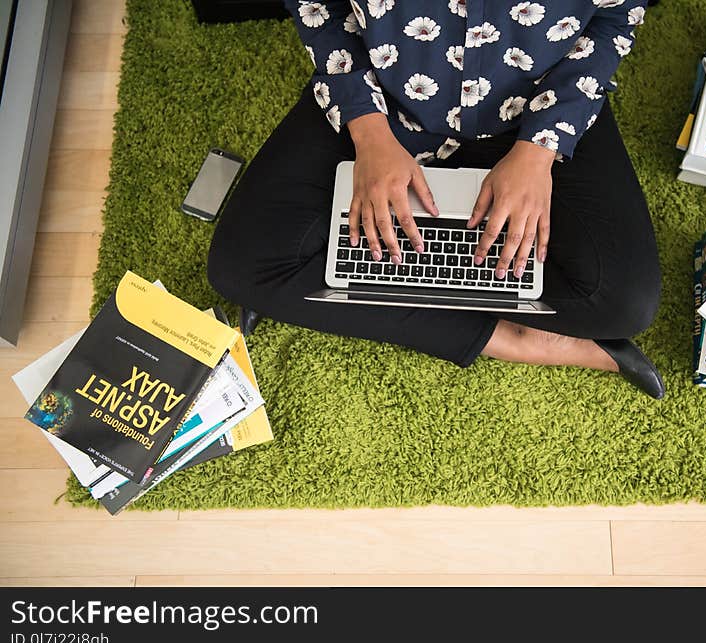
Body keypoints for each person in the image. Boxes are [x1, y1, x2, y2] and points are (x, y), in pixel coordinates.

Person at [208, 0, 665, 398]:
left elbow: (616, 17)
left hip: (539, 107)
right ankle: (518, 338)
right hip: (381, 103)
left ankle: (329, 295)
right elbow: (318, 7)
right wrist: (369, 134)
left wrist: (538, 151)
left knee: (625, 302)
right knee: (243, 264)